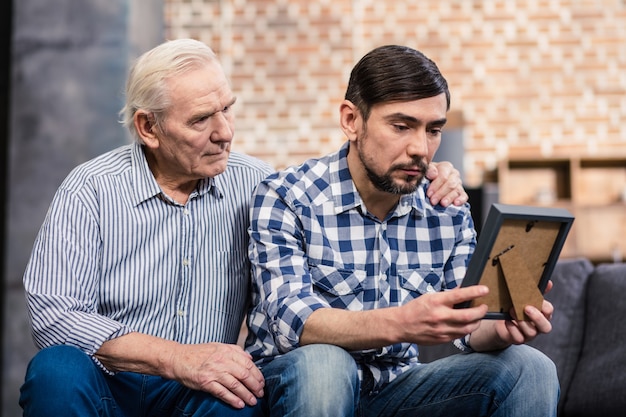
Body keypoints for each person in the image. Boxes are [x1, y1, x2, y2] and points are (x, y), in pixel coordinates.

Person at [19, 39, 467, 417]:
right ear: (148, 127)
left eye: (227, 110)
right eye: (201, 120)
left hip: (204, 392)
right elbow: (53, 315)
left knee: (240, 392)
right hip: (109, 382)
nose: (225, 132)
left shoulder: (258, 184)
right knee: (56, 369)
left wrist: (425, 169)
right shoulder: (91, 189)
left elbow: (341, 177)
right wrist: (177, 358)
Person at [246, 44, 560, 417]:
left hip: (396, 390)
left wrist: (500, 327)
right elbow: (291, 320)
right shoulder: (287, 196)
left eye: (433, 130)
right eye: (401, 126)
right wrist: (403, 321)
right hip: (298, 385)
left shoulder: (445, 208)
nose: (420, 148)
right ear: (351, 120)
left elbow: (469, 325)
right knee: (325, 364)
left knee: (530, 366)